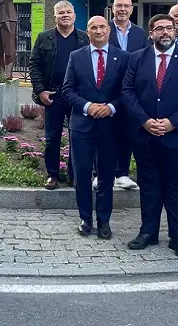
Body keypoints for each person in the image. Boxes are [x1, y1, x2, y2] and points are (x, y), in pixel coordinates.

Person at [122, 14, 178, 259]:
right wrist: (145, 120)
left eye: (169, 28)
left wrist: (172, 122)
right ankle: (148, 232)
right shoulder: (137, 59)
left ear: (175, 31)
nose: (165, 32)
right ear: (151, 33)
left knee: (177, 187)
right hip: (145, 135)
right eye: (160, 29)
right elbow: (127, 92)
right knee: (149, 185)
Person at [61, 16, 129, 240]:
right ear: (87, 32)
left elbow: (127, 92)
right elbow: (68, 90)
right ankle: (85, 219)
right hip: (82, 126)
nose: (98, 31)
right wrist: (88, 106)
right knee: (81, 175)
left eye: (102, 27)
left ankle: (104, 220)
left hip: (110, 127)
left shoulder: (123, 58)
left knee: (106, 176)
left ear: (108, 30)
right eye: (93, 27)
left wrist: (110, 107)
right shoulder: (76, 57)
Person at [28, 0, 89, 189]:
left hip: (77, 96)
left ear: (74, 16)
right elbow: (34, 65)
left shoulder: (84, 38)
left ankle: (74, 175)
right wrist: (40, 91)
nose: (65, 15)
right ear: (54, 17)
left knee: (77, 136)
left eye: (68, 12)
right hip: (53, 95)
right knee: (52, 138)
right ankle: (52, 175)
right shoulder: (44, 38)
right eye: (61, 13)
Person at [106, 0, 147, 190]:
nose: (122, 9)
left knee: (126, 133)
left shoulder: (140, 34)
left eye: (126, 6)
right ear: (113, 8)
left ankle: (122, 173)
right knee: (105, 133)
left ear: (132, 9)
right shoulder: (103, 29)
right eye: (118, 6)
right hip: (107, 89)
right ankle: (102, 173)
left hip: (132, 91)